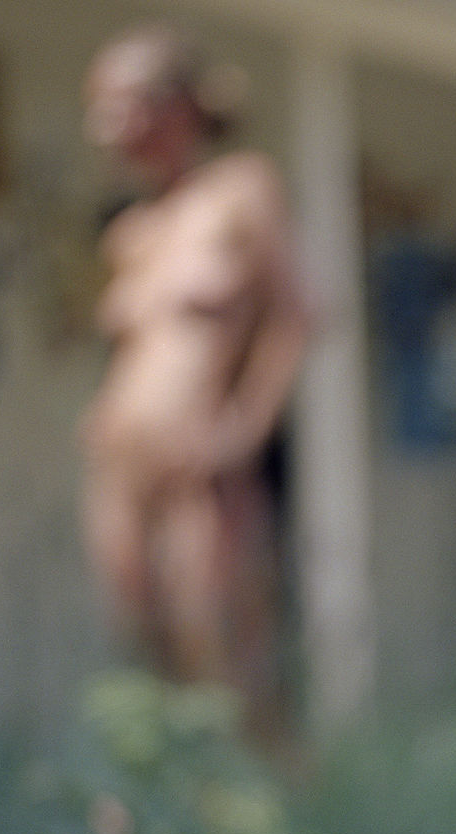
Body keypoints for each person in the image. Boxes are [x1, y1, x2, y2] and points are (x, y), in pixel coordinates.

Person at [80, 26, 308, 736]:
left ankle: (256, 824)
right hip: (121, 468)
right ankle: (173, 824)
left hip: (200, 468)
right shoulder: (132, 231)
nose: (103, 129)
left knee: (220, 654)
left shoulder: (241, 191)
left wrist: (243, 431)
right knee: (146, 660)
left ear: (174, 107)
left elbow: (296, 318)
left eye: (118, 107)